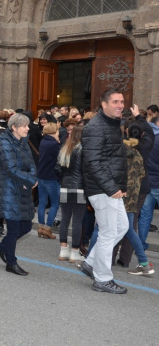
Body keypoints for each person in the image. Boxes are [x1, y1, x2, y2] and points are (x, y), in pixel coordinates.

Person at [78, 89, 128, 294]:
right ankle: (102, 279)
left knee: (121, 227)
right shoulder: (96, 127)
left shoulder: (112, 124)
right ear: (104, 104)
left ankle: (91, 263)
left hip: (111, 188)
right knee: (108, 233)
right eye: (115, 101)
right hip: (103, 189)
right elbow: (92, 162)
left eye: (122, 101)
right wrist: (111, 188)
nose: (120, 105)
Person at [0, 113, 37, 275]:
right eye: (24, 126)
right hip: (10, 190)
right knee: (14, 228)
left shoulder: (23, 142)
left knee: (26, 226)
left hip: (22, 189)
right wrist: (29, 180)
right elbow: (10, 169)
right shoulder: (4, 143)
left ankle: (2, 248)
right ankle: (11, 262)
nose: (27, 128)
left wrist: (31, 178)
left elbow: (31, 163)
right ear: (14, 127)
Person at [115, 107, 154, 267]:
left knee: (117, 223)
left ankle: (109, 258)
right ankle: (125, 260)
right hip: (141, 188)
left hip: (122, 188)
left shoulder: (121, 146)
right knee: (132, 223)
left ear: (126, 132)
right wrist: (140, 117)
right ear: (142, 134)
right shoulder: (145, 145)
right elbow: (150, 132)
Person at [56, 125, 85, 263]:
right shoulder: (83, 150)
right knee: (77, 221)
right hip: (80, 187)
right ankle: (74, 252)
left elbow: (58, 169)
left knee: (65, 219)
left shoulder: (64, 149)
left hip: (65, 185)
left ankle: (63, 250)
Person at [137, 115, 159, 251]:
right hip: (157, 182)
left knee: (145, 215)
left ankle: (140, 244)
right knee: (145, 215)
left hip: (147, 182)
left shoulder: (146, 141)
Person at [37, 122, 61, 239]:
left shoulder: (43, 141)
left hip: (41, 175)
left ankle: (40, 227)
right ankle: (47, 228)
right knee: (55, 203)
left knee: (42, 203)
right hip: (51, 176)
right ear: (54, 131)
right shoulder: (54, 144)